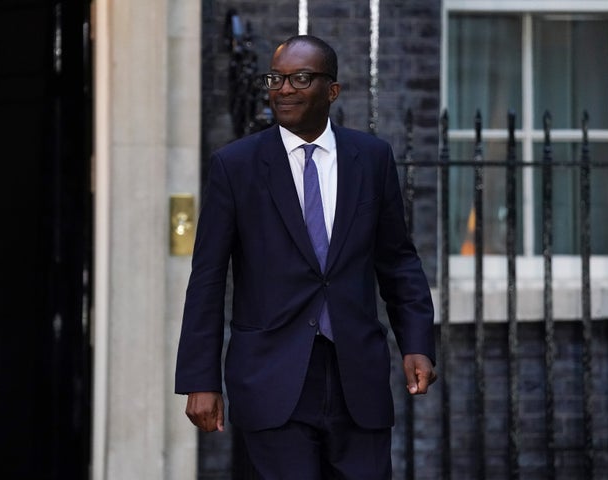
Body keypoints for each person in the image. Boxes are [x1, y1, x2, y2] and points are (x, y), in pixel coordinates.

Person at [175, 34, 436, 479]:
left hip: (358, 379)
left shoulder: (371, 158)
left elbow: (398, 261)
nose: (284, 89)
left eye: (300, 78)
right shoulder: (235, 165)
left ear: (331, 91)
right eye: (276, 78)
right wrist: (200, 379)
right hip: (271, 379)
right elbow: (208, 278)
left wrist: (416, 342)